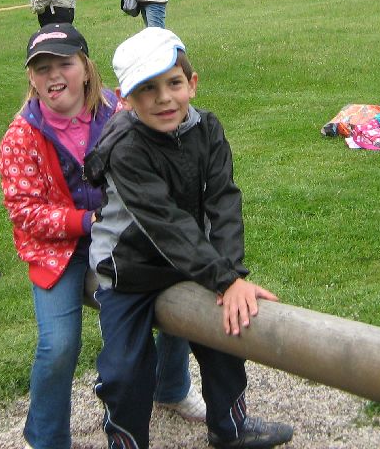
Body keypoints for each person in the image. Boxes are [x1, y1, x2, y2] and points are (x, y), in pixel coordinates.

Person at [85, 27, 294, 449]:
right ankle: (126, 442)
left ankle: (230, 427)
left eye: (174, 83)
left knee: (225, 336)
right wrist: (222, 278)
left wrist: (231, 276)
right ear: (125, 99)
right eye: (147, 89)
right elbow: (163, 221)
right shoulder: (125, 146)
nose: (164, 98)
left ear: (192, 84)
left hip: (188, 263)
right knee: (124, 371)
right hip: (128, 268)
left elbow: (223, 202)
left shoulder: (207, 129)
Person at [0, 23, 204, 449]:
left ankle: (171, 386)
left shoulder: (118, 109)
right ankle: (47, 438)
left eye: (64, 64)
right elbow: (25, 211)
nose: (54, 76)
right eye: (42, 68)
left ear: (86, 68)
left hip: (124, 230)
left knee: (179, 288)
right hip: (59, 250)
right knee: (58, 344)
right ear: (31, 78)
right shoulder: (21, 135)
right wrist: (86, 222)